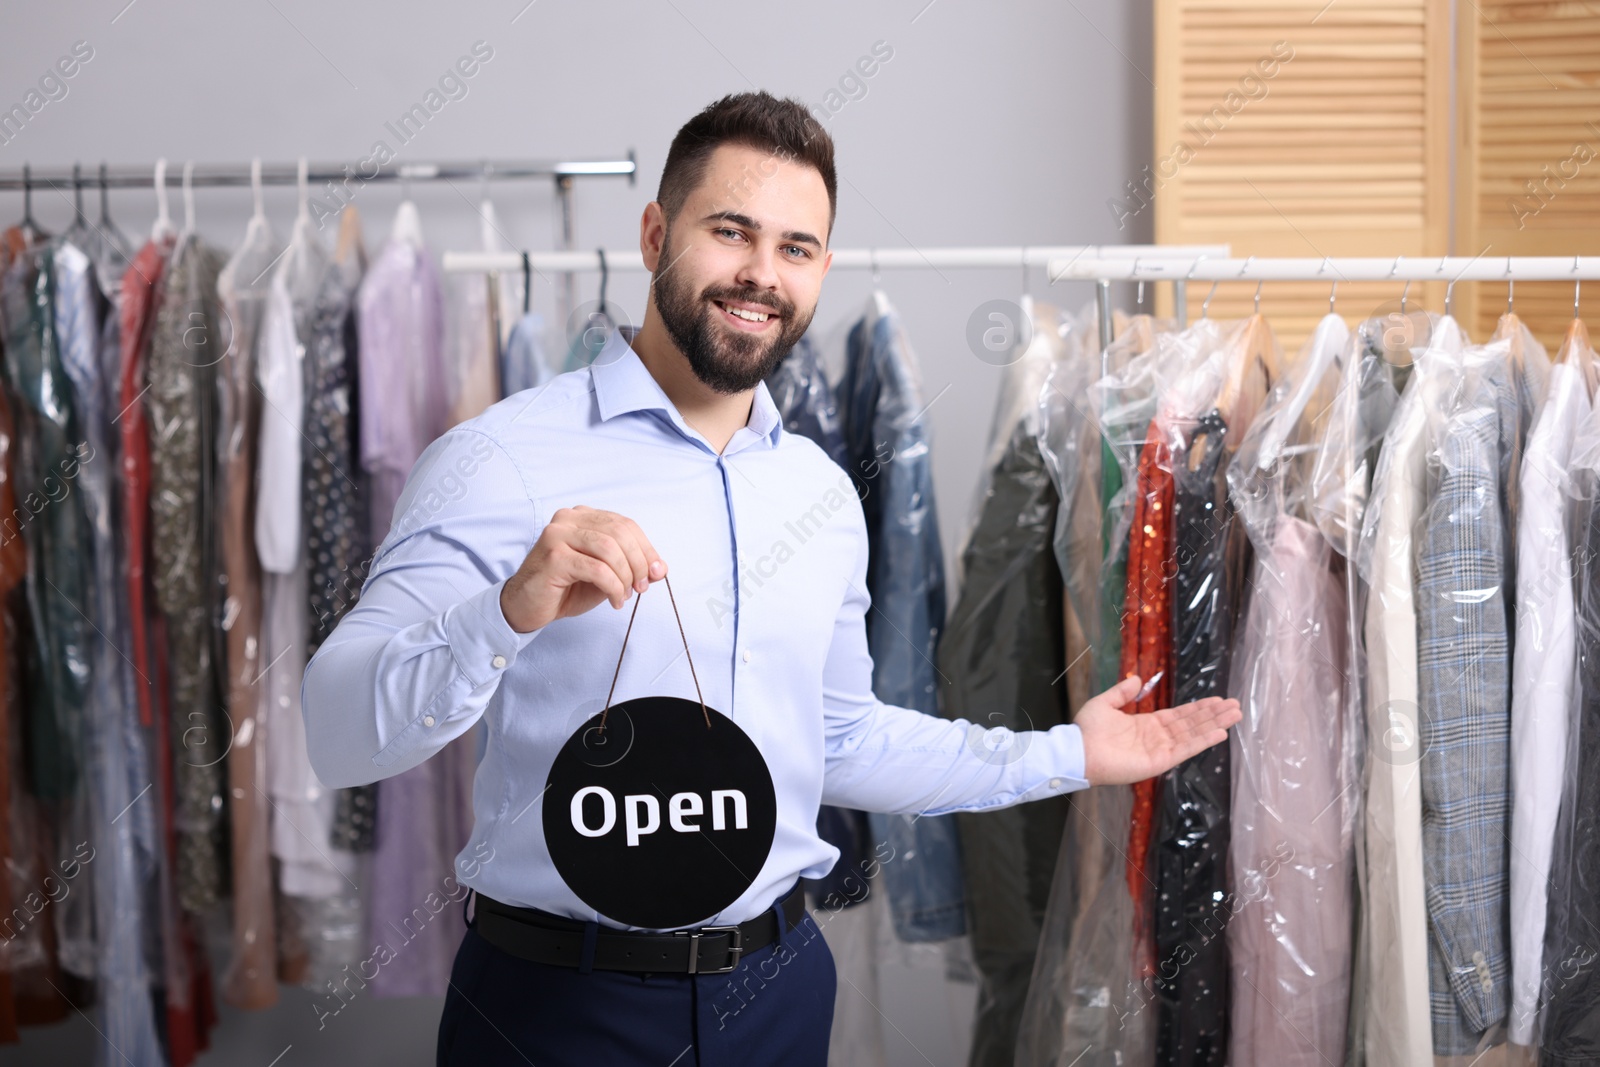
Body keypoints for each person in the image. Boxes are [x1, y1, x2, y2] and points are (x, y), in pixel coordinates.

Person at [301, 89, 1242, 1067]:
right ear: (656, 232)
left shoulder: (821, 494)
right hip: (559, 1007)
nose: (760, 273)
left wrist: (1068, 756)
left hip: (780, 992)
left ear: (822, 270)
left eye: (795, 247)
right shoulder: (497, 459)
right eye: (730, 231)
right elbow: (335, 728)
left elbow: (836, 737)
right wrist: (503, 612)